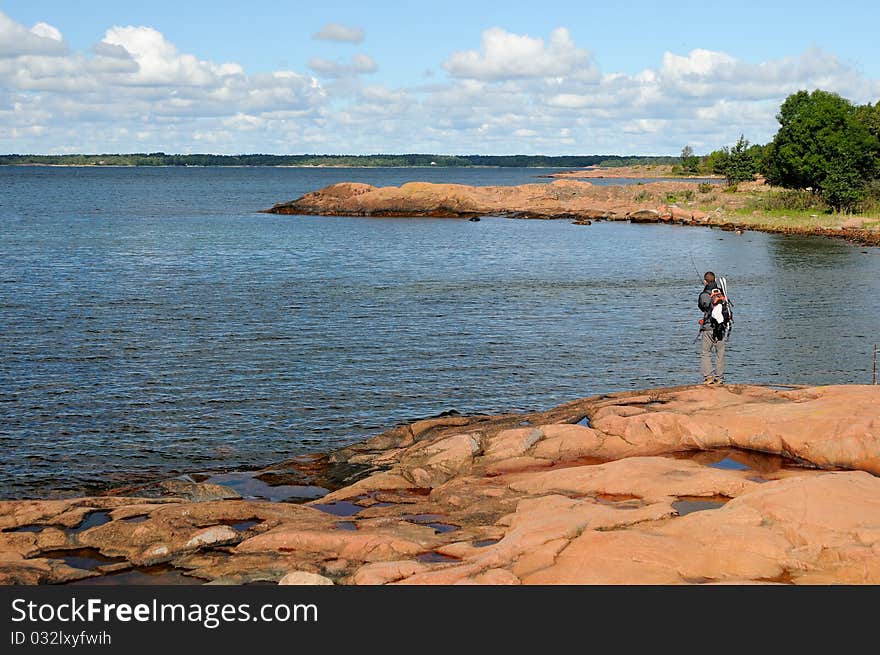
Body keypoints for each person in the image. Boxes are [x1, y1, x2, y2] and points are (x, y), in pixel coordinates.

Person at [697, 271, 729, 385]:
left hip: (708, 328)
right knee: (720, 353)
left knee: (706, 352)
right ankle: (719, 378)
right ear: (715, 280)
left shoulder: (704, 295)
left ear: (705, 281)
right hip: (721, 328)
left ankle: (709, 377)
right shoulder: (722, 292)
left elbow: (702, 307)